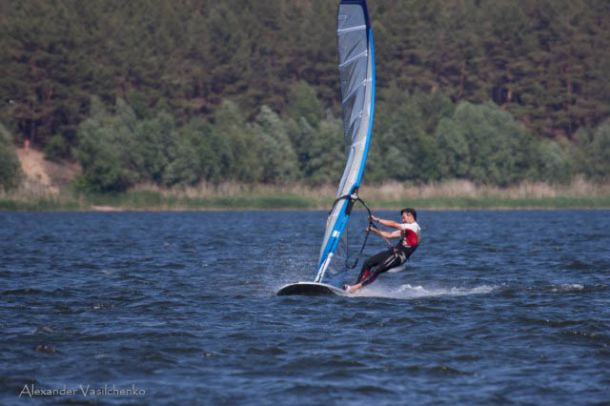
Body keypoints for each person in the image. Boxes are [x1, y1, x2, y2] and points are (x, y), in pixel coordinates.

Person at [344, 208, 421, 293]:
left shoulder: (413, 227)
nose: (402, 220)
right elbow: (390, 235)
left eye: (404, 217)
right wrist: (373, 230)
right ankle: (356, 286)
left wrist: (376, 220)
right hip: (392, 253)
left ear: (410, 216)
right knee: (368, 262)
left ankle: (355, 288)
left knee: (378, 269)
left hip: (399, 257)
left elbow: (394, 224)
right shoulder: (407, 229)